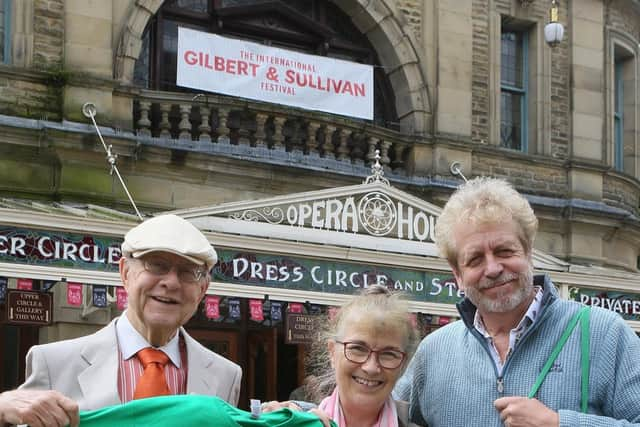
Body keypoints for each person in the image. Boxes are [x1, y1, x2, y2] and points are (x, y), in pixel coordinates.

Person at [393, 177, 640, 426]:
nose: (493, 268)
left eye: (504, 251)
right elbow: (379, 417)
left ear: (529, 252)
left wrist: (558, 423)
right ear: (457, 274)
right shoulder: (434, 352)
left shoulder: (604, 334)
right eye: (475, 259)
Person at [0, 214, 242, 427]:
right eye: (157, 265)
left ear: (203, 288)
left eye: (188, 271)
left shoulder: (226, 376)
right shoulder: (54, 363)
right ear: (126, 273)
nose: (172, 282)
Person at [265, 285, 420, 427]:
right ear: (332, 353)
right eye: (358, 348)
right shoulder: (297, 422)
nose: (371, 367)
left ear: (403, 363)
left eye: (388, 354)